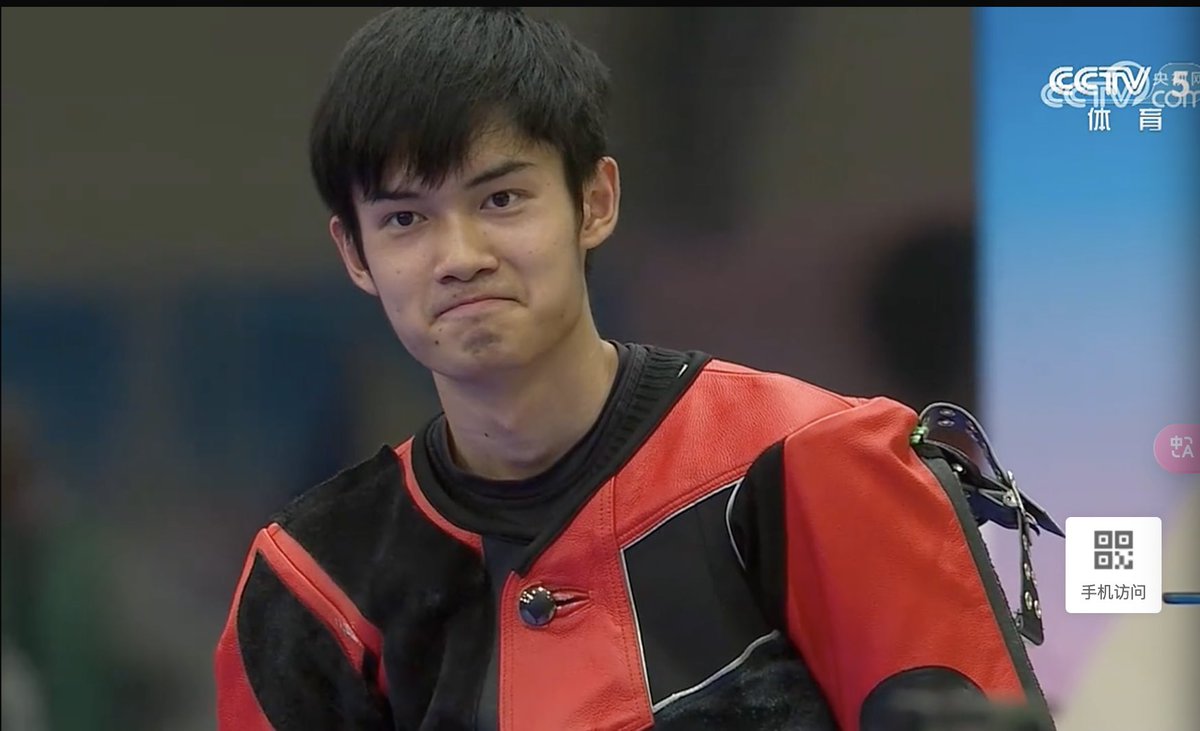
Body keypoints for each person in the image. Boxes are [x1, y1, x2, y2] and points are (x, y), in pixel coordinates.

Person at [214, 7, 1058, 730]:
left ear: (596, 202)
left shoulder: (811, 462)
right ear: (355, 254)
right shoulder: (313, 580)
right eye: (405, 219)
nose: (460, 256)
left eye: (501, 199)